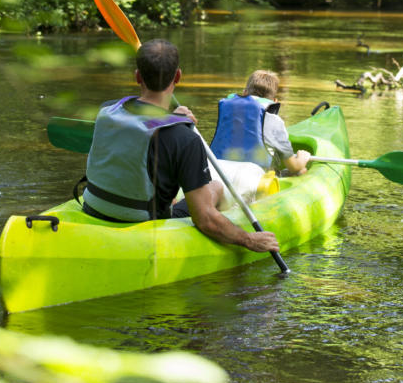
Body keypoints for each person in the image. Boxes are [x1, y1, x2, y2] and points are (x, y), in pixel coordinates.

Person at [82, 39, 279, 254]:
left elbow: (137, 124)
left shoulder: (107, 111)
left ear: (138, 76)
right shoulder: (184, 138)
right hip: (143, 221)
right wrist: (249, 240)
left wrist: (169, 117)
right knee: (215, 186)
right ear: (178, 76)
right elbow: (204, 220)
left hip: (93, 208)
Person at [210, 69, 311, 175]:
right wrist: (303, 158)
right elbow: (293, 167)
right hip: (253, 180)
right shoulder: (275, 121)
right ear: (274, 101)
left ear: (244, 93)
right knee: (301, 171)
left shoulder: (227, 112)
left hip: (218, 173)